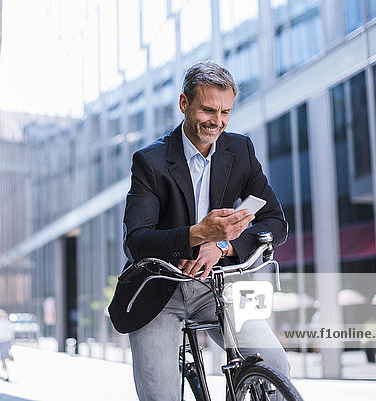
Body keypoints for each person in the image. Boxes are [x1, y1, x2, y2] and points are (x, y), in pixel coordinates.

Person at [108, 61, 290, 401]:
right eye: (208, 110)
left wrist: (220, 245)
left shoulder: (241, 150)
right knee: (161, 394)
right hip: (159, 289)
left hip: (218, 285)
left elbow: (276, 223)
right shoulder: (150, 162)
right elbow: (136, 241)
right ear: (184, 104)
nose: (217, 122)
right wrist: (197, 234)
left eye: (225, 112)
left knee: (276, 363)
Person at [0, 309, 15, 381]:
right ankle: (3, 374)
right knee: (3, 359)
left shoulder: (1, 323)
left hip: (3, 342)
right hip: (7, 342)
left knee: (2, 359)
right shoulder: (7, 322)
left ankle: (6, 375)